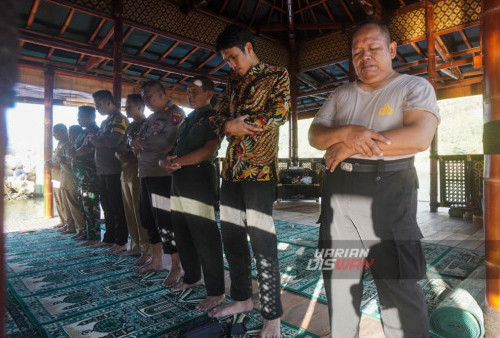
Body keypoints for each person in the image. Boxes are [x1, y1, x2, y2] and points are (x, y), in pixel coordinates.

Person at [308, 20, 440, 337]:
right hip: (339, 195)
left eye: (373, 48)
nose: (364, 56)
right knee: (340, 284)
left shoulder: (413, 87)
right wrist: (346, 134)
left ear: (392, 50)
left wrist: (350, 145)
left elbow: (419, 136)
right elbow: (316, 134)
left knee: (398, 287)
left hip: (390, 193)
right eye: (357, 52)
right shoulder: (341, 94)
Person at [208, 24, 290, 338]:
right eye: (226, 60)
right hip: (230, 171)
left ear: (249, 47)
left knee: (262, 243)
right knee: (231, 238)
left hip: (260, 172)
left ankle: (273, 316)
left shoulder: (277, 75)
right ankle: (242, 299)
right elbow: (215, 118)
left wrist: (243, 126)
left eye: (233, 57)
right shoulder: (231, 82)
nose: (231, 64)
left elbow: (280, 113)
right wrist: (228, 124)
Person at [163, 76, 225, 311]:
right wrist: (167, 160)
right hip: (179, 178)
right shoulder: (189, 119)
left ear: (209, 93)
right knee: (182, 230)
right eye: (188, 91)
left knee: (205, 235)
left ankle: (216, 291)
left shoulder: (212, 118)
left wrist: (176, 162)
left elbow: (208, 150)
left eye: (195, 92)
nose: (190, 95)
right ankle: (192, 277)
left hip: (198, 176)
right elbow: (176, 149)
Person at [131, 80, 184, 288]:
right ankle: (156, 261)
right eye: (144, 97)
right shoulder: (150, 118)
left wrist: (140, 144)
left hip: (163, 175)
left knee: (165, 222)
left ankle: (175, 267)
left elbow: (166, 141)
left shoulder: (175, 114)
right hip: (145, 174)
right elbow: (134, 140)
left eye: (150, 95)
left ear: (163, 93)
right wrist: (132, 142)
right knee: (148, 218)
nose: (147, 100)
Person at [90, 90, 129, 254]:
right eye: (96, 104)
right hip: (103, 170)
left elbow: (113, 142)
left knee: (117, 207)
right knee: (107, 207)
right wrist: (98, 141)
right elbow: (100, 141)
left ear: (109, 102)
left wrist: (96, 141)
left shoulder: (119, 119)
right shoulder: (106, 122)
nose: (97, 108)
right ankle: (109, 238)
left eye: (99, 104)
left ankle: (121, 241)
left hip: (114, 169)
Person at [115, 94, 152, 265]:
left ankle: (147, 249)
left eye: (129, 106)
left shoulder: (147, 124)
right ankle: (136, 245)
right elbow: (122, 145)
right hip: (126, 172)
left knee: (140, 212)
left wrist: (131, 157)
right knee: (129, 211)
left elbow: (146, 148)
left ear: (139, 107)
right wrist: (120, 153)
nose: (126, 109)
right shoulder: (130, 127)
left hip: (138, 173)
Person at [67, 106, 101, 245]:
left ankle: (93, 237)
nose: (78, 119)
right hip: (81, 177)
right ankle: (87, 233)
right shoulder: (84, 131)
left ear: (89, 117)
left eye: (80, 116)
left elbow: (86, 149)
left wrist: (72, 153)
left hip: (89, 177)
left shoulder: (93, 131)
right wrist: (73, 152)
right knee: (84, 206)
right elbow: (75, 149)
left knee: (91, 207)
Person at [54, 124, 85, 236]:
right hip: (64, 177)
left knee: (74, 204)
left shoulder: (73, 144)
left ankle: (80, 228)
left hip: (72, 177)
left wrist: (61, 159)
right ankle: (70, 225)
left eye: (72, 134)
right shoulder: (64, 144)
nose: (70, 135)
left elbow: (71, 160)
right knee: (66, 204)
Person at [46, 124, 70, 233]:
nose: (53, 134)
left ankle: (68, 223)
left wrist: (51, 164)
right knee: (58, 200)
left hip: (62, 176)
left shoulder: (68, 144)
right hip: (55, 176)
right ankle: (63, 221)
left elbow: (64, 161)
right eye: (53, 132)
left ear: (64, 132)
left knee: (64, 201)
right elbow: (55, 158)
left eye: (56, 132)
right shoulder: (59, 144)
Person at [64, 125, 86, 238]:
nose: (69, 137)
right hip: (78, 181)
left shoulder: (83, 145)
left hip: (87, 181)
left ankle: (84, 230)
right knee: (81, 205)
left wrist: (74, 154)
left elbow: (67, 160)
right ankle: (81, 230)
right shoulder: (73, 146)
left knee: (88, 206)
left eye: (71, 134)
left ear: (78, 135)